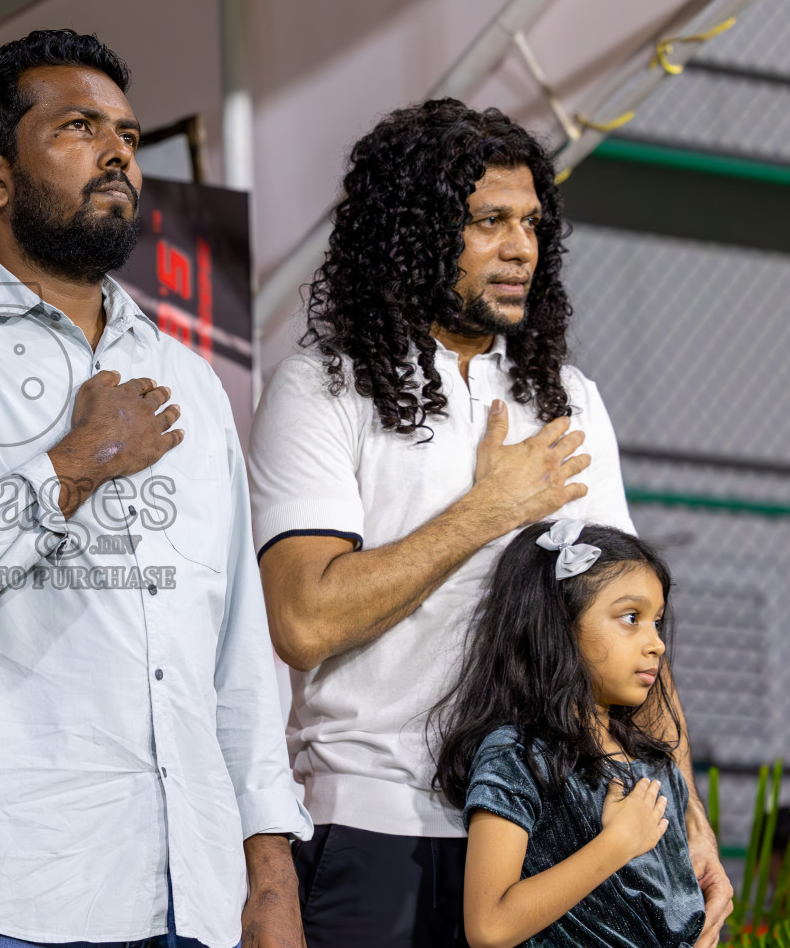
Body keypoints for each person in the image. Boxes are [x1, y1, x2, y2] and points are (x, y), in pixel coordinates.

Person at [0, 29, 311, 948]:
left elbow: (237, 645)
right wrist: (73, 464)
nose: (118, 154)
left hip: (195, 893)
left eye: (128, 135)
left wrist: (270, 875)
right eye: (79, 128)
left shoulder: (191, 378)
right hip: (3, 890)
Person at [247, 99, 730, 946]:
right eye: (489, 222)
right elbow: (302, 619)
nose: (521, 248)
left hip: (548, 837)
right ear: (414, 232)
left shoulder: (568, 400)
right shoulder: (325, 385)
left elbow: (626, 625)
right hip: (379, 828)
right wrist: (488, 511)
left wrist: (684, 810)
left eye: (532, 224)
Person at [434, 520, 705, 948]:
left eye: (657, 621)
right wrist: (617, 843)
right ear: (560, 623)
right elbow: (490, 926)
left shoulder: (657, 766)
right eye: (631, 618)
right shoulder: (519, 756)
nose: (657, 643)